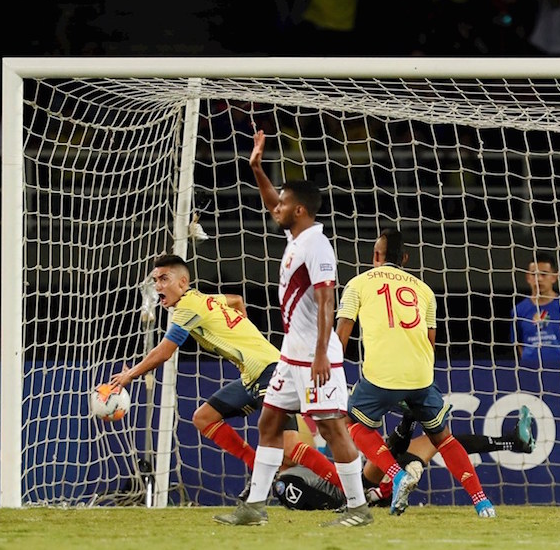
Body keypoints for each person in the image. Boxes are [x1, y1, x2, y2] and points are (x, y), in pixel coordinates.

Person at [214, 129, 371, 527]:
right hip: (291, 356)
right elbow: (272, 203)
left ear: (299, 210)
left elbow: (326, 298)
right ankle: (255, 506)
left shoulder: (317, 245)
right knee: (269, 423)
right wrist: (257, 170)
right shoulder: (297, 237)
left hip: (315, 357)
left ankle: (358, 508)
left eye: (283, 203)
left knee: (332, 427)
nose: (276, 208)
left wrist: (321, 351)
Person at [109, 254, 342, 496]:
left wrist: (131, 375)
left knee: (290, 446)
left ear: (182, 282)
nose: (158, 286)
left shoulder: (187, 307)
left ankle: (349, 489)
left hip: (270, 371)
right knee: (204, 418)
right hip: (252, 376)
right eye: (156, 280)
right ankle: (263, 473)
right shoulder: (200, 298)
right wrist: (243, 326)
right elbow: (236, 300)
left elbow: (165, 351)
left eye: (164, 279)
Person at [336, 228, 497, 517]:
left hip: (381, 375)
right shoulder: (424, 290)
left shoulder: (358, 283)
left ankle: (397, 476)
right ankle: (483, 503)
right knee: (442, 438)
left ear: (375, 256)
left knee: (354, 423)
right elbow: (431, 340)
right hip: (421, 374)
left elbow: (342, 333)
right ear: (406, 258)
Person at [274, 404, 537, 511]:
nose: (298, 436)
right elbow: (324, 501)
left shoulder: (296, 466)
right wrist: (361, 498)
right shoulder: (285, 483)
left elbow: (296, 448)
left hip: (363, 484)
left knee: (435, 442)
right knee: (387, 451)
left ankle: (513, 442)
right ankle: (408, 422)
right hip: (356, 489)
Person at [510, 251, 560, 365]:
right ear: (528, 277)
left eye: (544, 274)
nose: (539, 279)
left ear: (554, 277)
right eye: (534, 274)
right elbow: (518, 344)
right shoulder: (518, 311)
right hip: (530, 373)